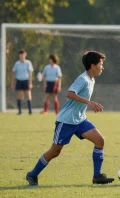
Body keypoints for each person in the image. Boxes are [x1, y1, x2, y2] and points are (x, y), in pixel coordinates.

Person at [26, 51, 114, 186]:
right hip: (66, 121)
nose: (102, 67)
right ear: (93, 66)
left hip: (80, 119)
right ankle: (32, 174)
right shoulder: (83, 79)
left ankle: (97, 176)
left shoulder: (92, 79)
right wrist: (89, 102)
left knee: (99, 140)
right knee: (55, 151)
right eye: (101, 64)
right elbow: (70, 94)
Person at [11, 49, 33, 115]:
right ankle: (20, 111)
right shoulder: (17, 63)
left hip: (26, 80)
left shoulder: (28, 63)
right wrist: (12, 83)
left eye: (22, 55)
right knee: (20, 95)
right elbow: (14, 73)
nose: (21, 57)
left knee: (28, 95)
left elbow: (30, 73)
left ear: (25, 55)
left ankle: (30, 111)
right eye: (20, 55)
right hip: (19, 80)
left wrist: (30, 82)